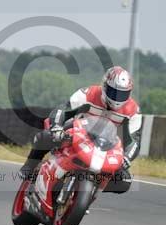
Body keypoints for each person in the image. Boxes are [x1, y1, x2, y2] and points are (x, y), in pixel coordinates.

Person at [19, 66, 142, 194]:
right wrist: (57, 127)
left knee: (124, 181)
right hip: (76, 134)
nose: (117, 98)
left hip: (104, 146)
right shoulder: (88, 93)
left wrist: (127, 158)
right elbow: (62, 110)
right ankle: (29, 166)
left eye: (122, 94)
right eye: (113, 92)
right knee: (45, 136)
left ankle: (91, 190)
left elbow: (134, 141)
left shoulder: (133, 111)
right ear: (104, 86)